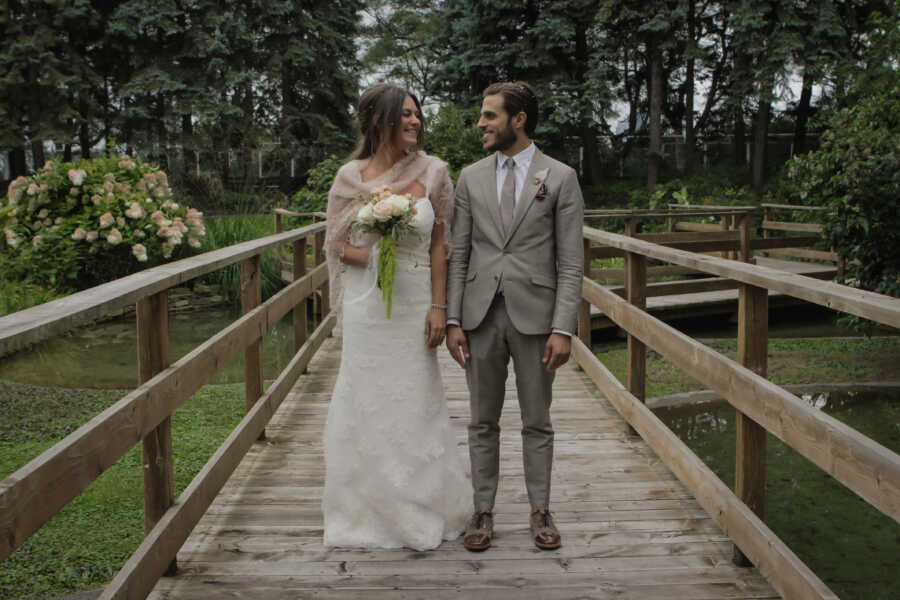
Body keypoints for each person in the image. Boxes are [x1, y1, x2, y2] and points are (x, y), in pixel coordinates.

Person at [321, 83, 470, 551]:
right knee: (365, 400)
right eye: (404, 115)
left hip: (417, 302)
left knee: (415, 399)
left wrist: (439, 307)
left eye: (417, 114)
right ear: (378, 121)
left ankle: (419, 506)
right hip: (369, 308)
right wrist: (376, 255)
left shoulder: (436, 172)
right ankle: (364, 511)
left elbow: (441, 245)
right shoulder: (349, 177)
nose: (415, 122)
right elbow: (335, 245)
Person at [445, 81, 584, 552]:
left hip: (537, 318)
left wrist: (563, 327)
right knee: (481, 421)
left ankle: (540, 509)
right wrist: (452, 319)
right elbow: (459, 253)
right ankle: (482, 512)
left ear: (518, 119)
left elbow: (571, 262)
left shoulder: (560, 177)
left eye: (489, 116)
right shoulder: (470, 178)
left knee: (537, 420)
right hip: (479, 317)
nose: (481, 124)